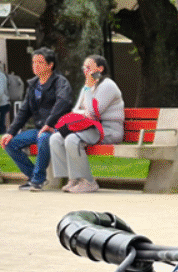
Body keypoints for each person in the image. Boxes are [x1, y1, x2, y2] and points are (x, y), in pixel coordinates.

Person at [48, 55, 125, 194]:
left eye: (89, 67)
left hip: (108, 130)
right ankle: (74, 179)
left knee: (72, 139)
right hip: (90, 128)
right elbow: (77, 110)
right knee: (55, 139)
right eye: (84, 67)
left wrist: (88, 90)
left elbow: (93, 112)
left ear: (100, 69)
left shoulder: (108, 85)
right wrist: (88, 90)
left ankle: (88, 182)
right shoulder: (88, 86)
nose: (85, 70)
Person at [2, 48, 73, 191]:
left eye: (40, 62)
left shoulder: (60, 82)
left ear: (50, 65)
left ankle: (37, 180)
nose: (35, 65)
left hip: (57, 129)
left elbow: (63, 102)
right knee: (9, 143)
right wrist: (11, 132)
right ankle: (34, 176)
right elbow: (24, 110)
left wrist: (49, 123)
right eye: (34, 62)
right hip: (40, 129)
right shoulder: (34, 85)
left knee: (43, 138)